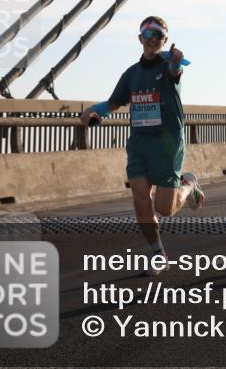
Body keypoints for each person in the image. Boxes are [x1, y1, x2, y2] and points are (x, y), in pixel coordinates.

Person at [80, 16, 205, 276]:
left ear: (165, 40)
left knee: (164, 209)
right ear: (140, 39)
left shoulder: (171, 65)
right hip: (139, 143)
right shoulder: (131, 74)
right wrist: (94, 110)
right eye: (147, 34)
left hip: (167, 143)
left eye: (157, 34)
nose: (152, 39)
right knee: (139, 199)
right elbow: (114, 103)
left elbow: (175, 72)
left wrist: (174, 63)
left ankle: (189, 184)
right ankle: (158, 254)